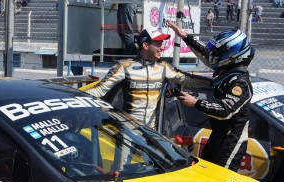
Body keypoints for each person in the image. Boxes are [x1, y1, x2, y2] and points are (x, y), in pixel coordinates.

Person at [166, 20, 254, 172]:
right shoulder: (228, 68)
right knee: (205, 172)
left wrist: (196, 102)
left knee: (221, 179)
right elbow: (206, 53)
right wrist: (184, 36)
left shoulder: (240, 83)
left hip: (232, 140)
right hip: (218, 133)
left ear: (232, 54)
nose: (214, 56)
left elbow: (225, 110)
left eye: (220, 53)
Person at [84, 28, 211, 130]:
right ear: (145, 45)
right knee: (124, 162)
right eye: (158, 43)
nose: (162, 47)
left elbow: (189, 80)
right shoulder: (124, 66)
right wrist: (68, 97)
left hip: (151, 133)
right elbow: (99, 90)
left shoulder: (164, 67)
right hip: (128, 131)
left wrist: (215, 83)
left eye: (162, 43)